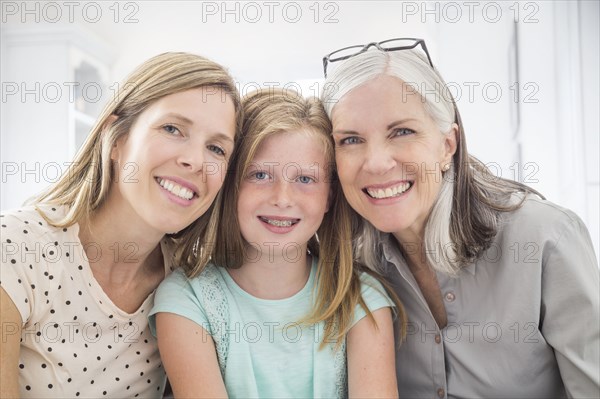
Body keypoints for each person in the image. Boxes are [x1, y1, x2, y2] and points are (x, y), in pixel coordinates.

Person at [320, 38, 600, 398]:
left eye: (402, 132)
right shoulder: (348, 269)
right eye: (350, 140)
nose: (376, 163)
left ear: (447, 145)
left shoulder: (546, 239)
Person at [0, 52, 242, 398]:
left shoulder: (188, 287)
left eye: (217, 149)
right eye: (172, 129)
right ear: (116, 139)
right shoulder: (16, 249)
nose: (195, 160)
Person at [149, 88, 402, 398]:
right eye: (260, 175)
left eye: (305, 180)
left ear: (330, 196)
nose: (282, 199)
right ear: (230, 184)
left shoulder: (361, 299)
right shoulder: (186, 299)